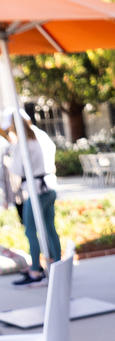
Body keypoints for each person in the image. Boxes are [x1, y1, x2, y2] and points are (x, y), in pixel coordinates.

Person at [4, 114, 59, 286]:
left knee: (30, 231)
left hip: (36, 192)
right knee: (50, 229)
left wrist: (9, 157)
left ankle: (35, 270)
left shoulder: (23, 144)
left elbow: (17, 169)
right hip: (48, 188)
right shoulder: (38, 137)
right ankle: (57, 267)